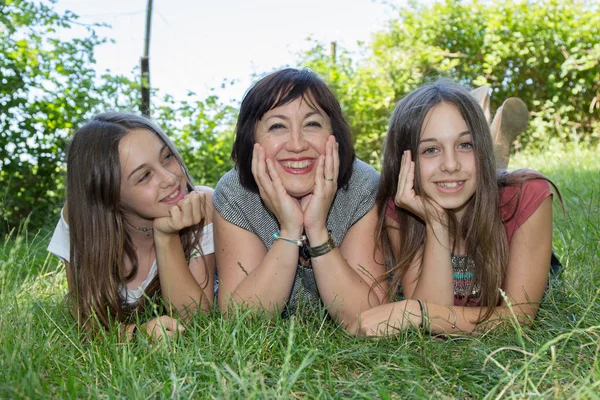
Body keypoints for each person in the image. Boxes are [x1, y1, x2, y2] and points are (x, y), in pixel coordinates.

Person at [354, 80, 559, 336]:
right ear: (405, 161)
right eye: (431, 149)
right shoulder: (400, 210)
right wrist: (436, 224)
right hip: (467, 182)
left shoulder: (527, 195)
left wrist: (416, 312)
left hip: (498, 205)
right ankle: (486, 134)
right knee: (465, 174)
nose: (450, 164)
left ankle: (493, 143)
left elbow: (518, 318)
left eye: (465, 144)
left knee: (484, 177)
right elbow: (432, 325)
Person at [213, 68, 386, 329]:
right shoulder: (235, 194)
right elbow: (242, 324)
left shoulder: (362, 186)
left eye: (312, 124)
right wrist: (290, 230)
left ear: (334, 136)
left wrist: (316, 229)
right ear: (251, 139)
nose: (296, 144)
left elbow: (367, 320)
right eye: (277, 126)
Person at [47, 112, 215, 339]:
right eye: (144, 176)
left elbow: (195, 318)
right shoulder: (80, 218)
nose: (169, 178)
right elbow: (86, 318)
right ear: (109, 195)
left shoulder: (202, 204)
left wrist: (167, 236)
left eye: (166, 157)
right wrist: (136, 334)